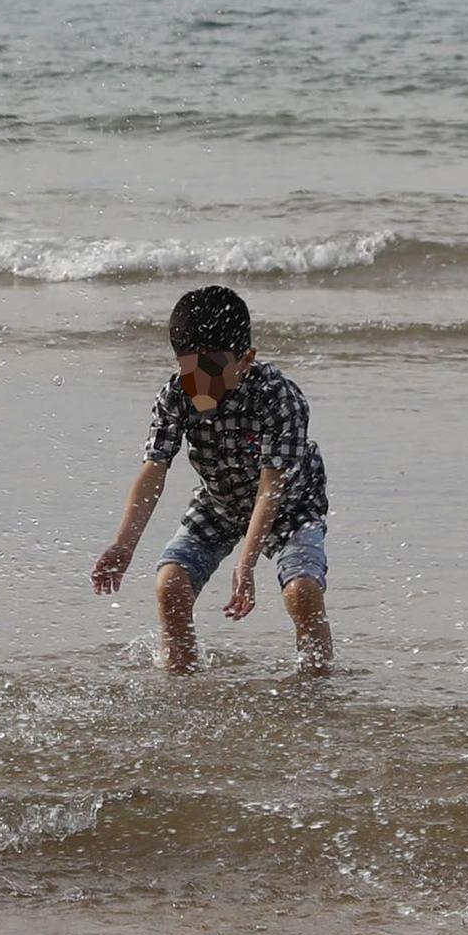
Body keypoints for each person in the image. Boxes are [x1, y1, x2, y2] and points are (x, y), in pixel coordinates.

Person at [91, 286, 333, 672]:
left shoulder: (278, 397)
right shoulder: (175, 396)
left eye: (215, 370)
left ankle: (317, 678)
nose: (202, 384)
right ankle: (182, 678)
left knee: (301, 591)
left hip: (289, 506)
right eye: (191, 371)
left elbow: (272, 487)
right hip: (218, 502)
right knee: (170, 583)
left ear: (246, 359)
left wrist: (246, 563)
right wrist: (124, 544)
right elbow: (155, 469)